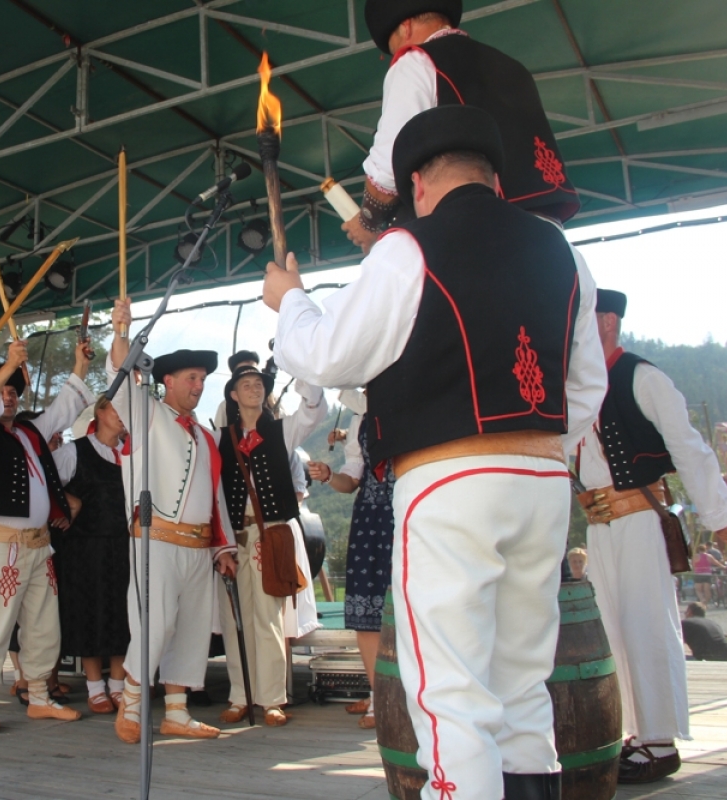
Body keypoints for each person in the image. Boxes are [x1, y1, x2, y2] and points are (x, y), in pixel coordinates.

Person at [265, 105, 606, 800]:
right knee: (523, 685)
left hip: (450, 483)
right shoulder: (562, 251)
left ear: (417, 183)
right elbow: (584, 385)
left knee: (452, 691)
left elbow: (328, 354)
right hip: (543, 483)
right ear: (494, 176)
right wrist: (536, 449)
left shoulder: (407, 248)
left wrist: (291, 301)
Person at [576, 288, 727, 783]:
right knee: (613, 631)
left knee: (646, 624)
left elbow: (688, 447)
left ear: (607, 321)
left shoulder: (642, 377)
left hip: (640, 519)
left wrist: (719, 513)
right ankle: (635, 732)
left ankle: (660, 741)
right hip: (601, 526)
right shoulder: (581, 385)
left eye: (585, 318)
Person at [346, 0, 578, 253]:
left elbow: (389, 164)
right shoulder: (514, 68)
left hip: (479, 235)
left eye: (394, 47)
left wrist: (368, 221)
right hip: (548, 241)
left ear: (406, 28)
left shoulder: (416, 61)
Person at [106, 302, 238, 743]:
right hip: (155, 539)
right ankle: (131, 702)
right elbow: (120, 377)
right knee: (155, 624)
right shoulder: (146, 413)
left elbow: (215, 494)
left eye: (202, 379)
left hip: (199, 548)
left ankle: (177, 713)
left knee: (192, 629)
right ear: (168, 381)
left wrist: (223, 546)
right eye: (191, 378)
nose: (199, 386)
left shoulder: (206, 435)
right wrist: (121, 331)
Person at [0, 340, 94, 734]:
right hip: (0, 543)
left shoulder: (29, 432)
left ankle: (39, 696)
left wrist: (80, 364)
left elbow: (64, 408)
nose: (8, 396)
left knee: (43, 622)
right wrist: (9, 365)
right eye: (1, 391)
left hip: (38, 543)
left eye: (13, 391)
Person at [216, 364, 327, 726]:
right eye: (246, 385)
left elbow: (313, 412)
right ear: (234, 395)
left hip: (271, 535)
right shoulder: (221, 438)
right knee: (236, 619)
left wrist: (303, 367)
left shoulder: (283, 430)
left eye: (259, 384)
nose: (254, 389)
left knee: (268, 618)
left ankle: (272, 699)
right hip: (235, 537)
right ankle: (240, 695)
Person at [307, 409, 393, 731]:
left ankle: (407, 697)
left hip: (411, 510)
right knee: (366, 612)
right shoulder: (360, 419)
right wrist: (330, 475)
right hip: (372, 519)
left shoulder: (417, 402)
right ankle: (379, 697)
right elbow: (351, 481)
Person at [50, 397, 131, 714]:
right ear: (100, 412)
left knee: (124, 613)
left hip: (125, 545)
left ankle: (119, 685)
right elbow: (43, 479)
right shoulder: (75, 451)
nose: (122, 416)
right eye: (116, 408)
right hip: (85, 548)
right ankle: (95, 687)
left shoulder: (133, 453)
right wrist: (68, 502)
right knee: (90, 612)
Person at [213, 350, 261, 428]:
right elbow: (218, 432)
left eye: (254, 371)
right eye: (243, 371)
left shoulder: (272, 402)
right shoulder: (225, 407)